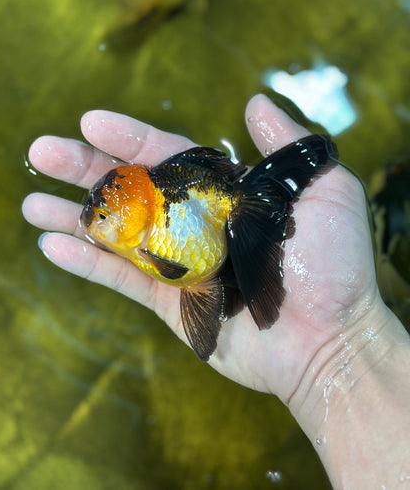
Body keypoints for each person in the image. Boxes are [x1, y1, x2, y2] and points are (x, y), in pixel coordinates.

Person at [22, 94, 410, 488]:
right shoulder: (140, 233)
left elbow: (172, 267)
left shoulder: (149, 235)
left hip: (212, 219)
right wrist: (341, 349)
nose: (98, 229)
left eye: (103, 219)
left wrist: (336, 345)